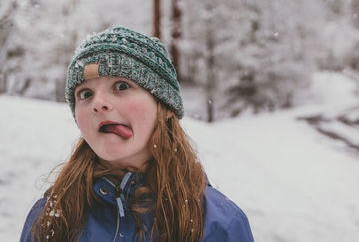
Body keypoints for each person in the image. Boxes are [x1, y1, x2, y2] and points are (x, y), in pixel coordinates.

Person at [20, 26, 254, 242]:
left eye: (121, 86)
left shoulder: (220, 225)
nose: (98, 104)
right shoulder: (49, 219)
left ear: (166, 107)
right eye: (85, 94)